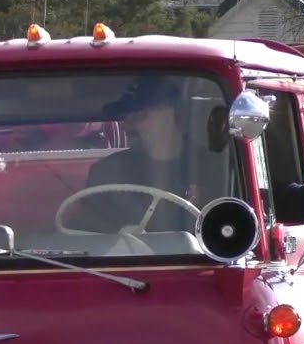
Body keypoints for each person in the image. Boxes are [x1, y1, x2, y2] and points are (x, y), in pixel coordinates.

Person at [70, 78, 204, 234]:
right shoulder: (106, 173)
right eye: (125, 117)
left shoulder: (213, 166)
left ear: (168, 112)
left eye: (138, 116)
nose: (127, 126)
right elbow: (84, 235)